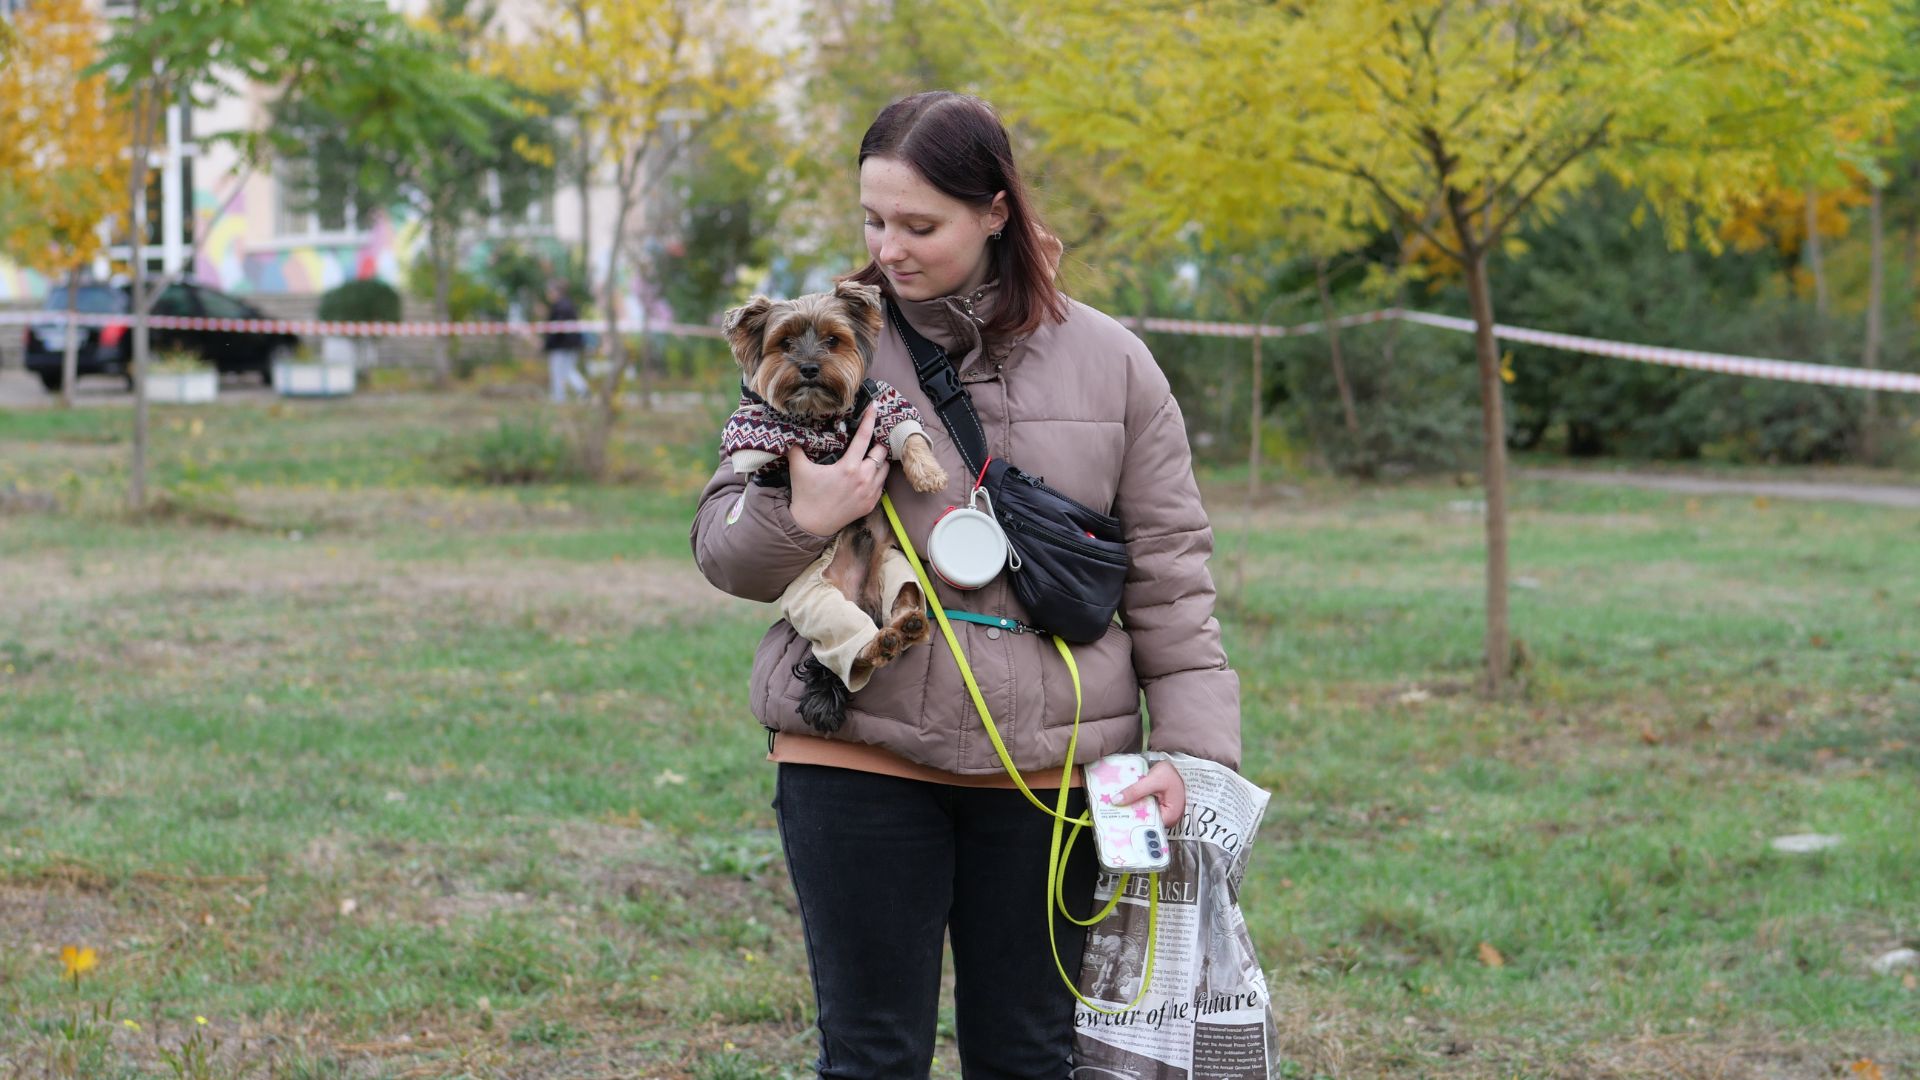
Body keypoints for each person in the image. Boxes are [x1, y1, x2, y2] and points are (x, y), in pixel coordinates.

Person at [690, 90, 1241, 1079]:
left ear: (996, 211)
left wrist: (1193, 755)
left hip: (1050, 777)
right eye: (872, 219)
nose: (887, 249)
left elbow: (1171, 582)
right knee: (870, 1057)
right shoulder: (823, 343)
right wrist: (803, 517)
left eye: (919, 224)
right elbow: (723, 549)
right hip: (858, 757)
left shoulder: (1115, 364)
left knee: (1030, 1057)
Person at [541, 281, 588, 402]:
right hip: (569, 345)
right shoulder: (567, 304)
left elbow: (556, 330)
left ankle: (561, 396)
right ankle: (581, 390)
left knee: (560, 372)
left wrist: (547, 344)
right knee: (567, 370)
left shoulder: (560, 307)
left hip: (561, 346)